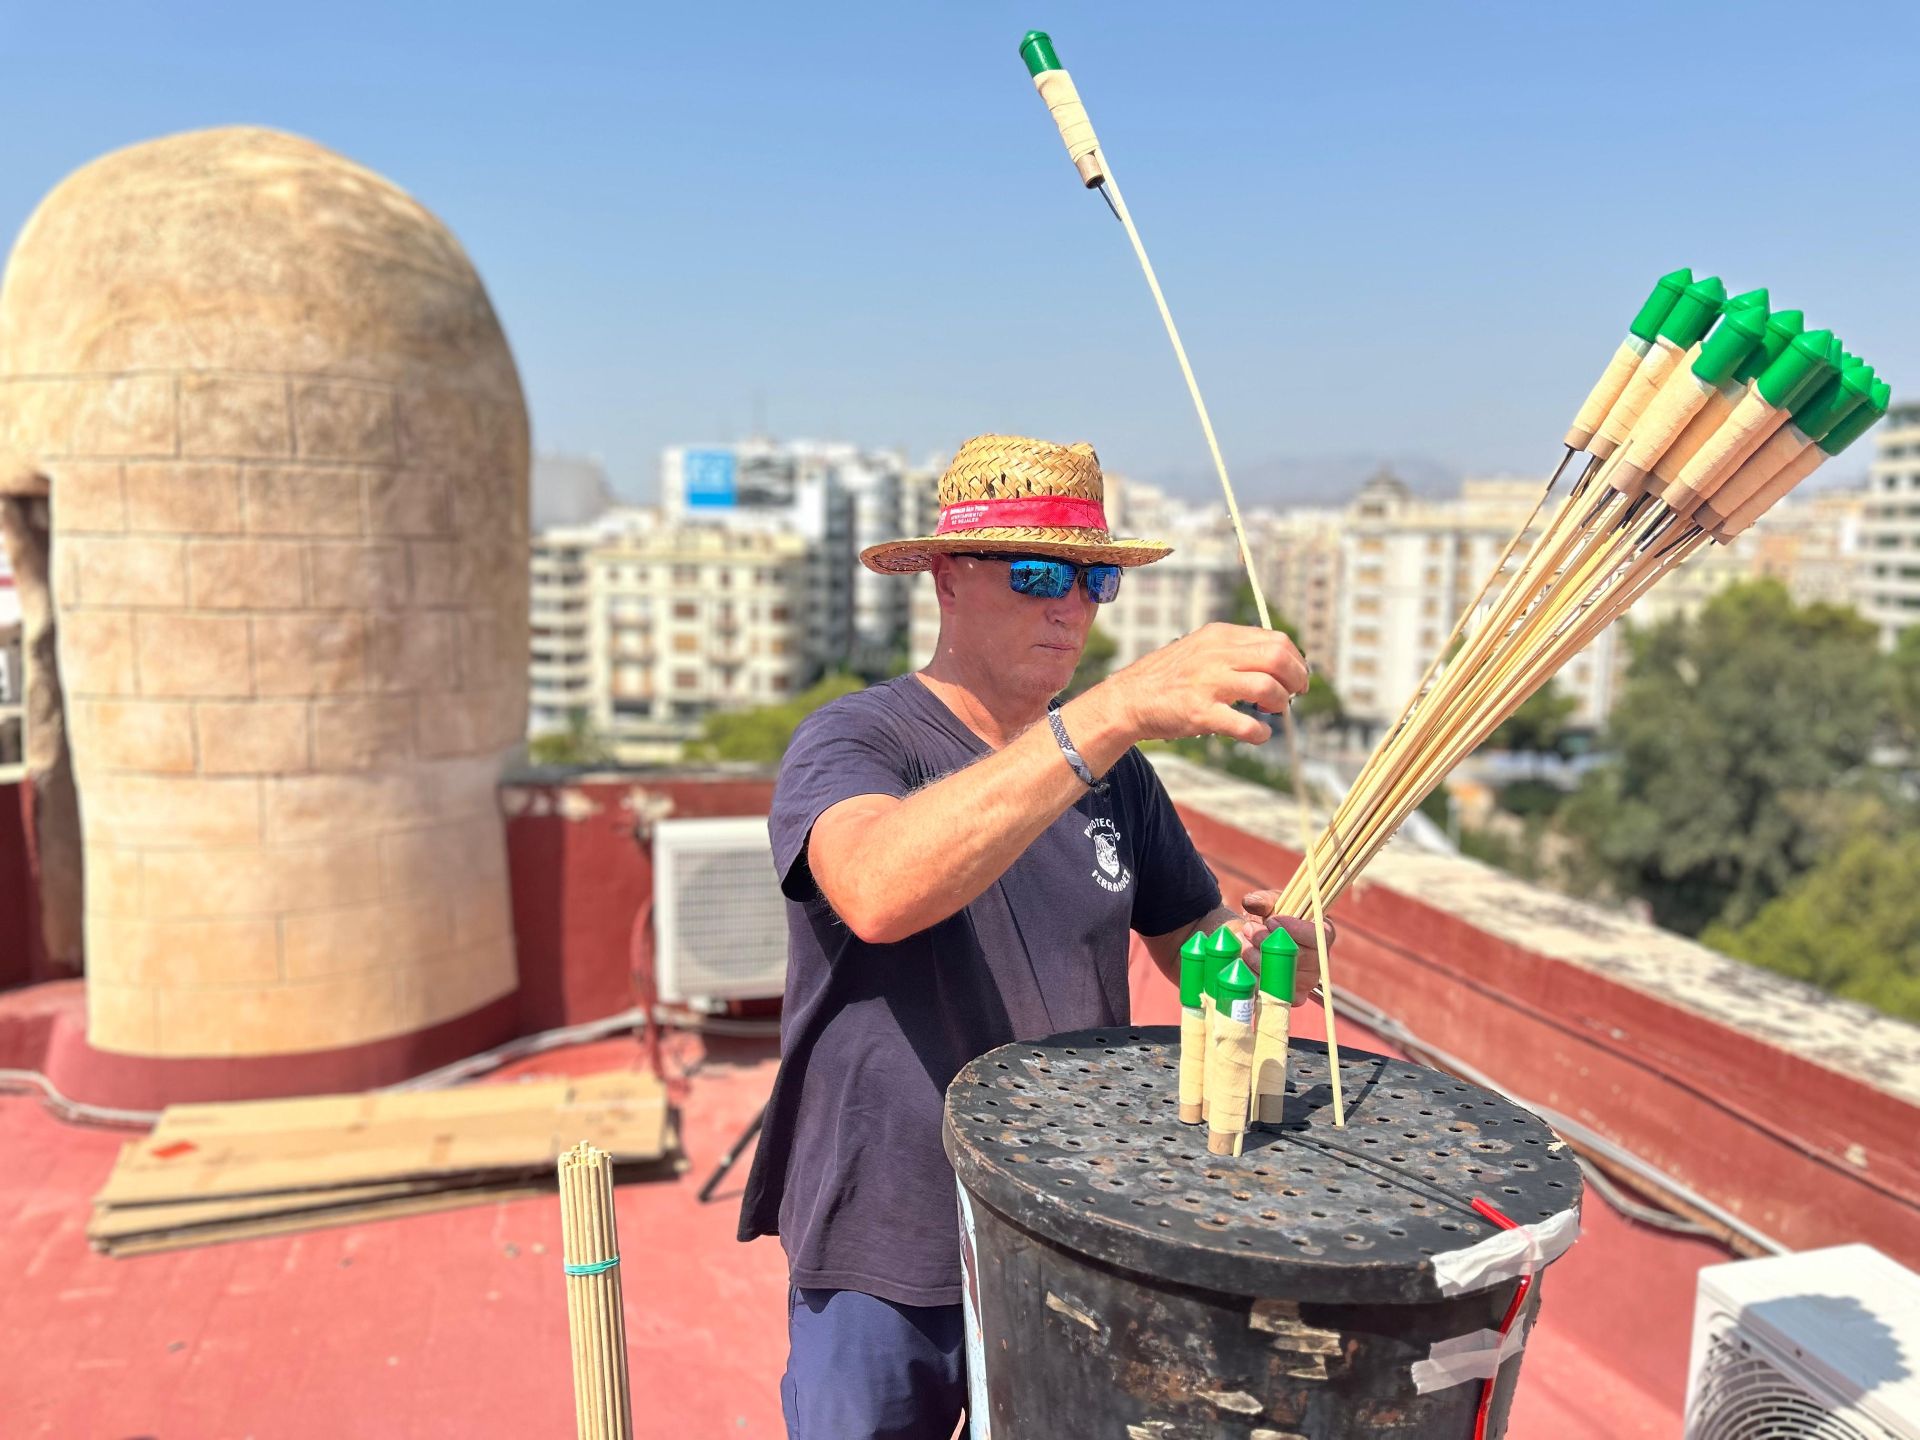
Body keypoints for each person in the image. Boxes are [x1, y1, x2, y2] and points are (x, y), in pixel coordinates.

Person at [739, 434, 1329, 1439]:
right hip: (888, 1232)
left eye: (1094, 578)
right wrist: (1110, 713)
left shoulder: (1119, 778)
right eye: (1038, 572)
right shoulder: (857, 740)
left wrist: (1264, 951)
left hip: (1063, 1218)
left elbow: (1192, 943)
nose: (1072, 606)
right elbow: (877, 890)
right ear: (945, 580)